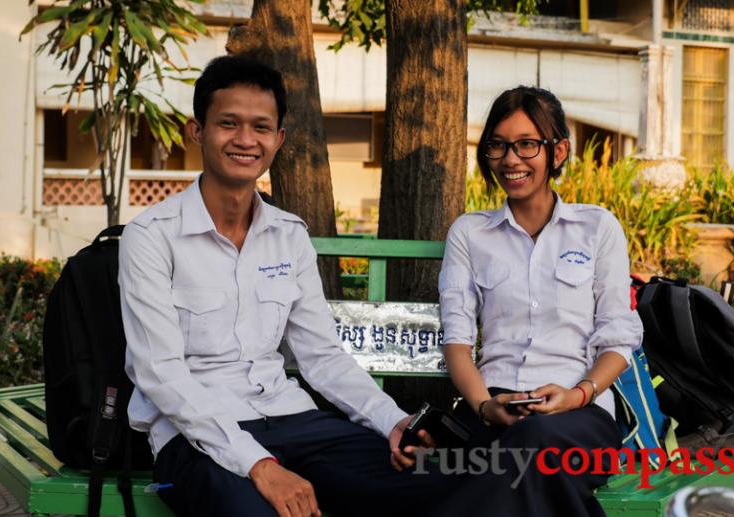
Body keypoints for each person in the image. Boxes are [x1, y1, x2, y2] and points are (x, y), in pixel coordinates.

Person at [118, 55, 446, 517]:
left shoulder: (289, 234)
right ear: (197, 132)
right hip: (195, 433)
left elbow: (322, 356)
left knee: (435, 484)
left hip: (291, 418)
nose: (245, 140)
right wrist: (259, 464)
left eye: (261, 127)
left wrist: (392, 421)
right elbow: (162, 375)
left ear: (279, 139)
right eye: (228, 123)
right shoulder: (152, 236)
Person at [437, 86, 644, 516]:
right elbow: (457, 344)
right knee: (525, 457)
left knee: (531, 447)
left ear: (559, 150)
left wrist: (578, 395)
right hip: (497, 407)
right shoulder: (469, 234)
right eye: (498, 145)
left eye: (527, 144)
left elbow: (618, 339)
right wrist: (485, 406)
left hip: (581, 413)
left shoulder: (597, 228)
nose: (510, 159)